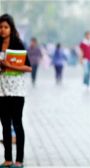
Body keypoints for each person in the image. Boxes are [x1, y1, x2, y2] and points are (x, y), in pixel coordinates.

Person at [0, 13, 32, 168]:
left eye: (6, 27)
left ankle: (19, 160)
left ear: (11, 28)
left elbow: (28, 67)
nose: (2, 30)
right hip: (1, 92)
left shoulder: (18, 44)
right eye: (0, 27)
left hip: (17, 92)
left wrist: (9, 66)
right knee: (5, 126)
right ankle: (7, 159)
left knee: (17, 124)